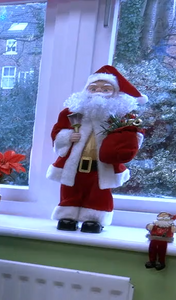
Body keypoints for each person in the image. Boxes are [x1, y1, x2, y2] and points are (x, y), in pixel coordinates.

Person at [47, 65, 147, 233]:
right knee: (70, 189)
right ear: (86, 91)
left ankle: (93, 219)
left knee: (99, 192)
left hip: (101, 165)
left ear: (115, 93)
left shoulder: (122, 116)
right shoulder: (72, 112)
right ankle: (68, 216)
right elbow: (57, 131)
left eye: (105, 88)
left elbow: (134, 134)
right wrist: (66, 136)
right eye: (93, 88)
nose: (98, 91)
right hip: (74, 163)